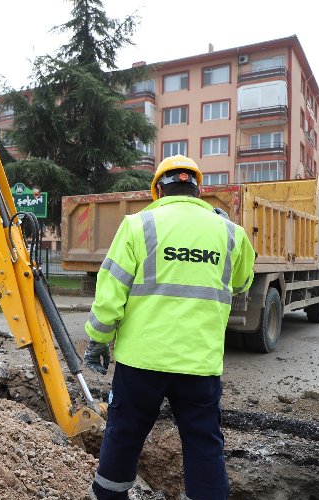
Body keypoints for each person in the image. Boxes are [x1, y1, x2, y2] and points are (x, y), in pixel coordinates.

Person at [84, 155, 255, 500]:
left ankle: (108, 496)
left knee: (125, 433)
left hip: (141, 362)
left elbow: (110, 294)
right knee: (203, 441)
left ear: (158, 190)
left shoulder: (137, 225)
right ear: (197, 189)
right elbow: (242, 282)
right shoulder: (229, 232)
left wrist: (98, 341)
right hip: (199, 364)